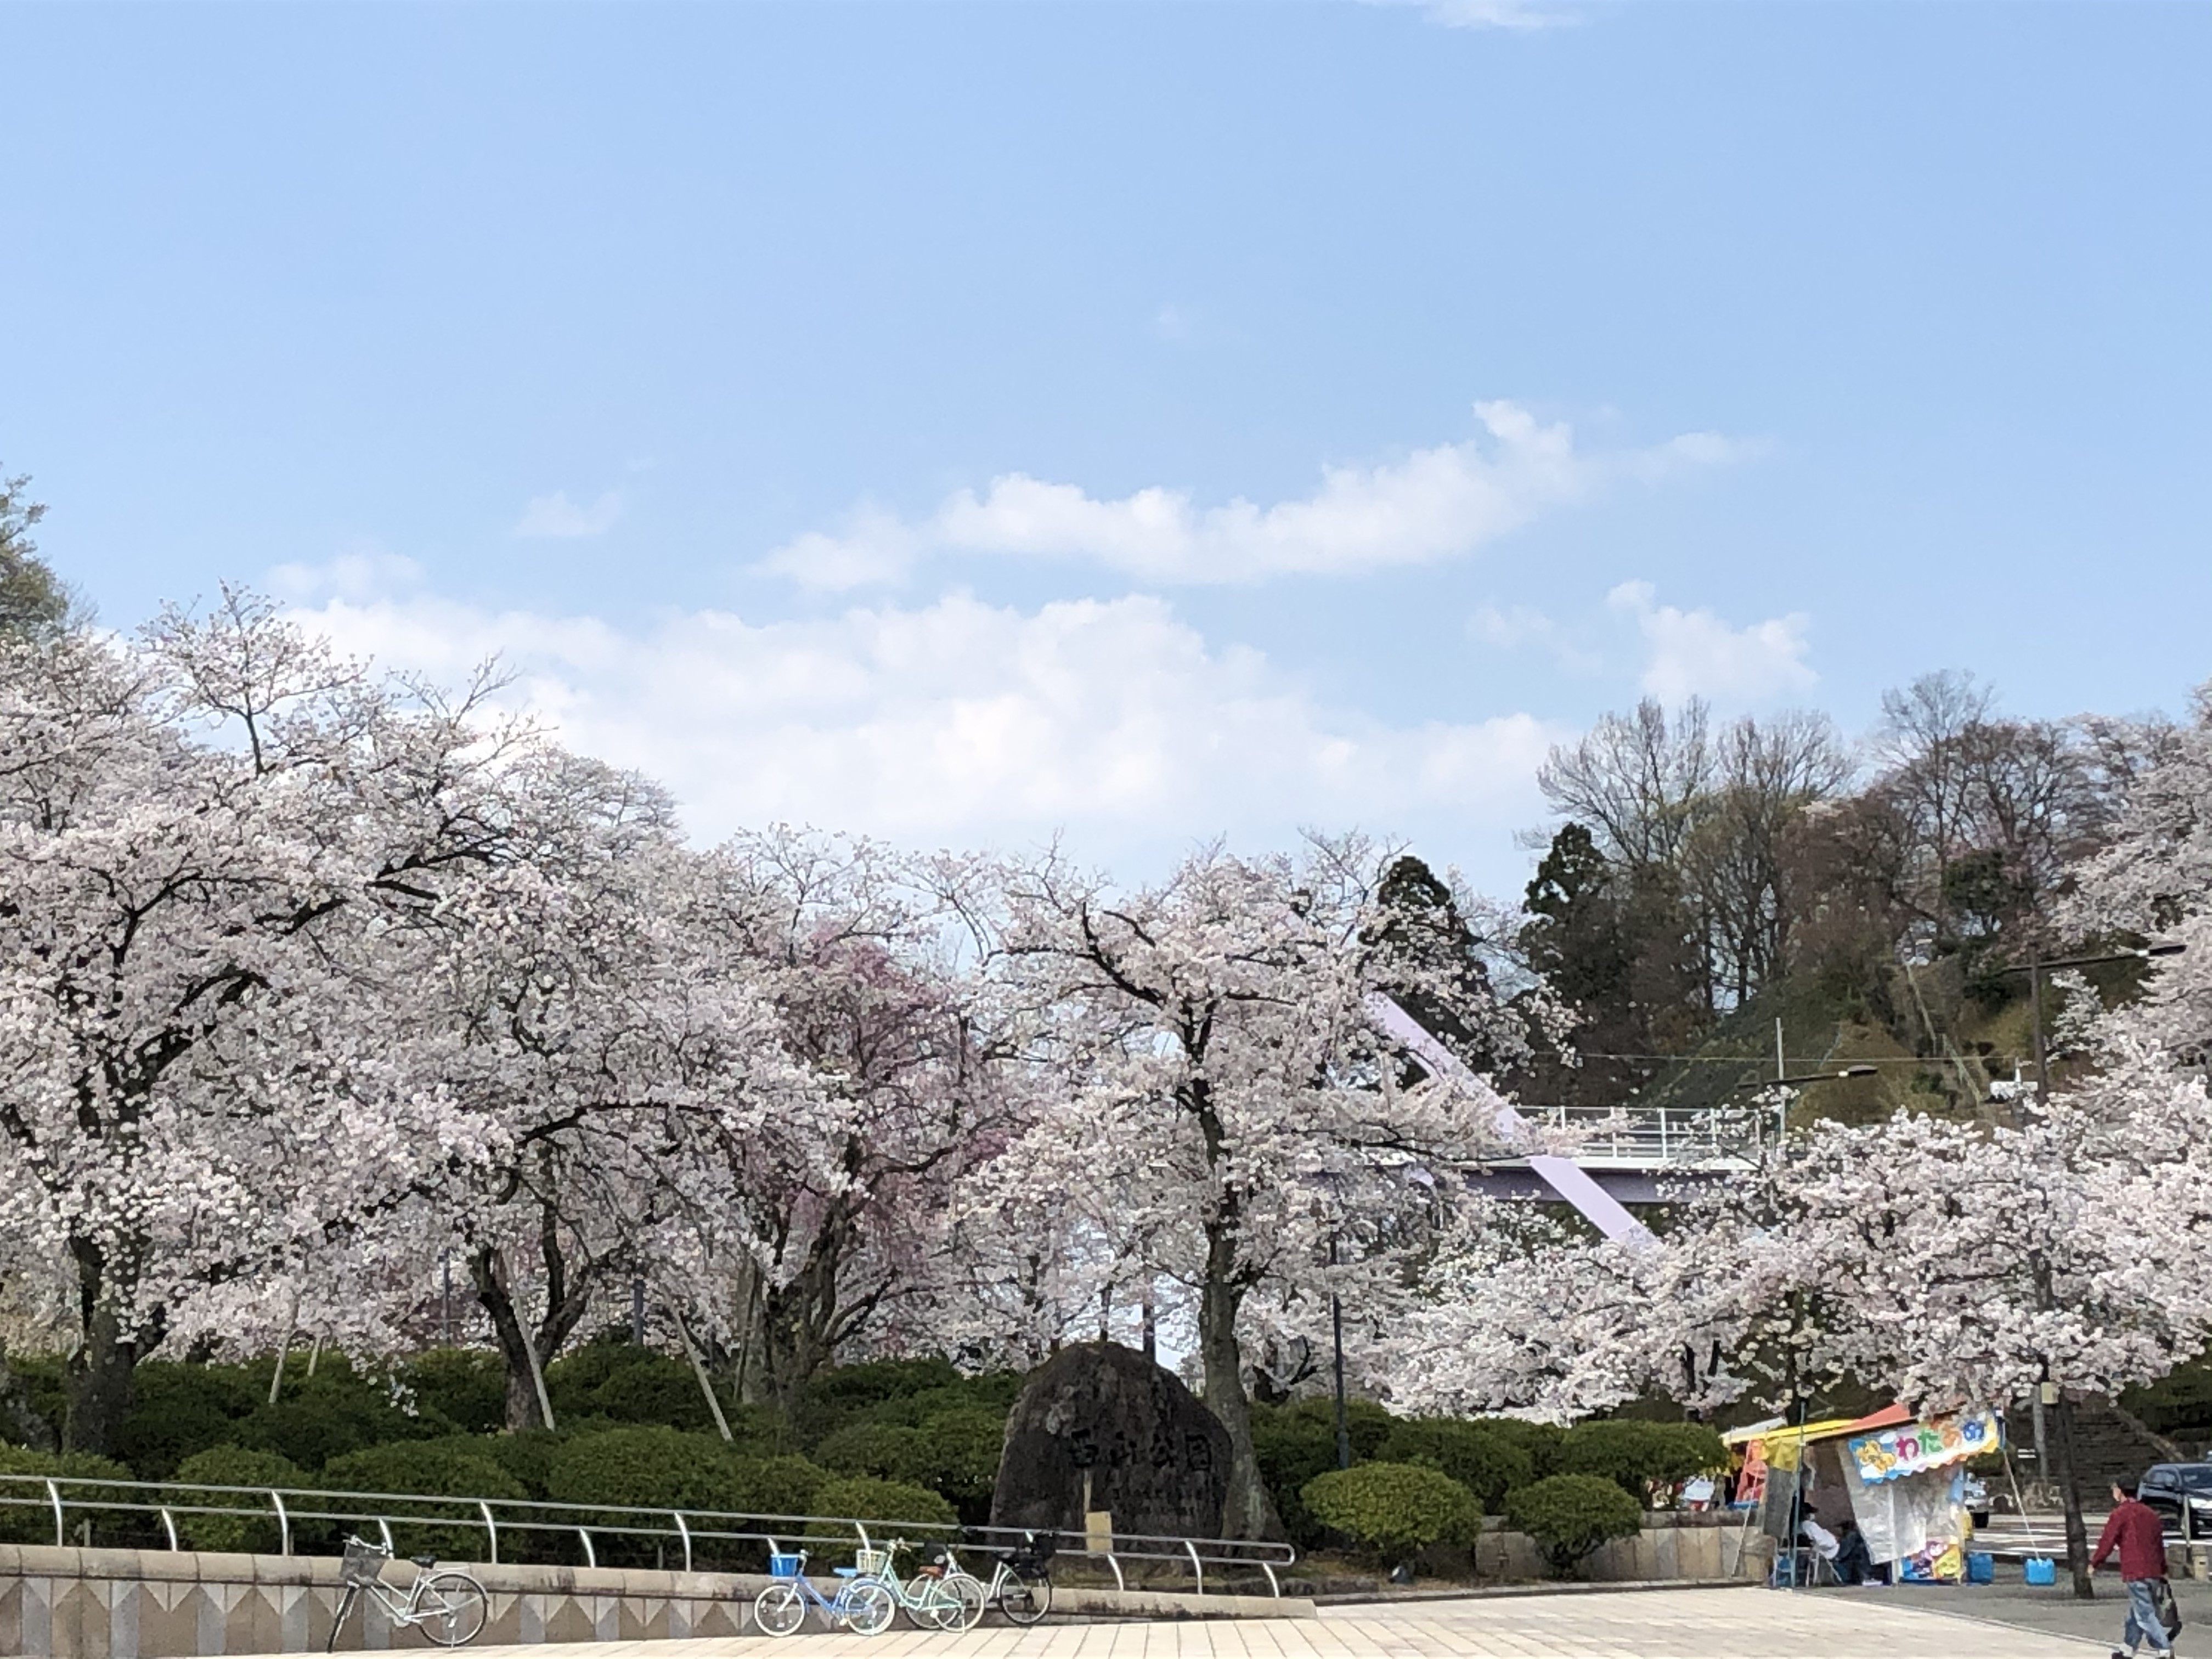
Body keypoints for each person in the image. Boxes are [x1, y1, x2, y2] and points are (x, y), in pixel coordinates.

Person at [2090, 1477, 2174, 1659]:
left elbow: (2108, 1541)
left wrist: (2095, 1563)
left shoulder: (2120, 1514)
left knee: (2145, 1614)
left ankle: (2165, 1649)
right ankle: (2128, 1649)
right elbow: (2159, 1544)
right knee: (2137, 1612)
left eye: (2114, 1489)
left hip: (2135, 1570)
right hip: (2153, 1570)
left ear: (2120, 1491)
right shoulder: (2151, 1514)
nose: (2113, 1492)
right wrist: (2163, 1568)